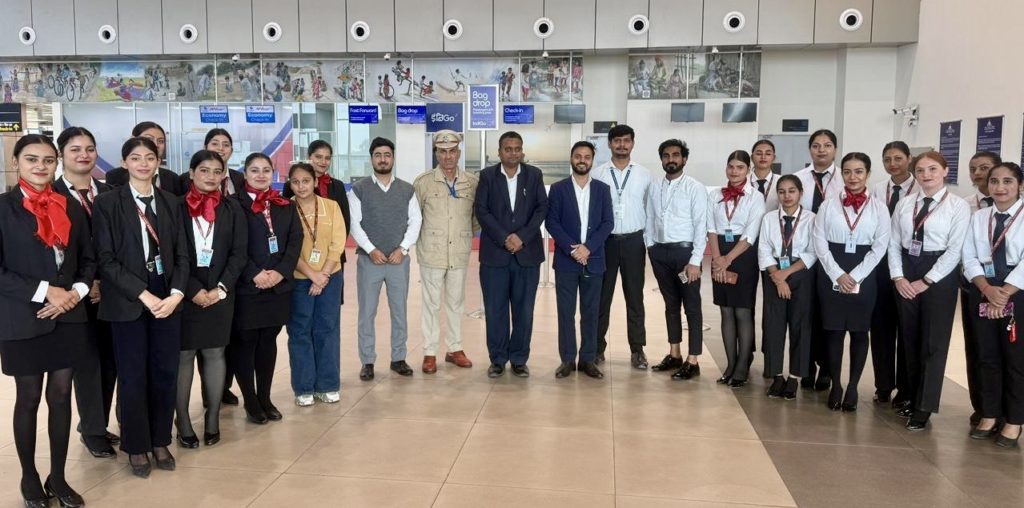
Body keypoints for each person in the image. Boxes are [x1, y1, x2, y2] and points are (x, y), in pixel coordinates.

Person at [1, 134, 94, 507]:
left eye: (48, 160)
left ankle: (58, 476)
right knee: (27, 398)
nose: (40, 166)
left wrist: (75, 293)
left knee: (61, 396)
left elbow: (88, 260)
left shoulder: (69, 205)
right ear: (16, 162)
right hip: (23, 316)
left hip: (69, 315)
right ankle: (29, 477)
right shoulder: (3, 208)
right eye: (31, 159)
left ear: (56, 163)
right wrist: (45, 291)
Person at [93, 137, 190, 478]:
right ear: (125, 163)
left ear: (158, 161)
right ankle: (136, 445)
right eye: (136, 158)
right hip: (128, 301)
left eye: (150, 157)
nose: (144, 164)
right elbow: (106, 260)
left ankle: (160, 439)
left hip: (167, 297)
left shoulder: (172, 202)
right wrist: (143, 295)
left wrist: (177, 293)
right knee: (133, 376)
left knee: (165, 372)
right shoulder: (107, 203)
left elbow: (183, 254)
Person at [889, 151, 969, 430]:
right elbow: (893, 243)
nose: (926, 175)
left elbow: (955, 250)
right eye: (921, 170)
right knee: (909, 338)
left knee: (933, 342)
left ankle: (924, 406)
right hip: (907, 269)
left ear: (945, 171)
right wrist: (898, 277)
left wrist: (927, 280)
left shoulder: (958, 206)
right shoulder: (905, 203)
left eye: (933, 169)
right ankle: (910, 395)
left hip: (939, 274)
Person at [53, 126, 119, 459]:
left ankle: (97, 422)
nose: (84, 155)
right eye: (75, 149)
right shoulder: (51, 195)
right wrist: (85, 282)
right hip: (73, 295)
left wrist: (106, 281)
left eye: (90, 149)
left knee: (109, 362)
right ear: (61, 154)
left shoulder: (111, 192)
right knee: (87, 363)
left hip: (113, 292)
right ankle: (92, 430)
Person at [174, 150, 247, 448]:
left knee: (216, 352)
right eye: (204, 170)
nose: (211, 176)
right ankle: (182, 420)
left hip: (220, 293)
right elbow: (171, 252)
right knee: (184, 356)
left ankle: (213, 417)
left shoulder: (233, 208)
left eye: (217, 171)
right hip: (183, 293)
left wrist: (221, 288)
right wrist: (192, 290)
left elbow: (239, 253)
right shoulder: (175, 207)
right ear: (192, 173)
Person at [812, 152, 890, 412]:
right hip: (831, 271)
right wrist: (837, 274)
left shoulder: (879, 208)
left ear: (868, 174)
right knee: (833, 330)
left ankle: (853, 386)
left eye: (859, 171)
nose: (853, 177)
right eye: (847, 171)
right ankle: (836, 384)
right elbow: (819, 242)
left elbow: (880, 246)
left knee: (859, 331)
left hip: (864, 273)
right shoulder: (828, 205)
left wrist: (855, 275)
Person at [231, 153, 301, 424]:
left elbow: (295, 241)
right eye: (254, 170)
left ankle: (265, 397)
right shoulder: (233, 204)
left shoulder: (284, 204)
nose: (261, 175)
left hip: (277, 287)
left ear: (273, 173)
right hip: (248, 287)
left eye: (266, 170)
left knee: (268, 342)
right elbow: (231, 245)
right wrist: (254, 274)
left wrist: (280, 272)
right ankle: (250, 401)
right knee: (246, 343)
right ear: (245, 174)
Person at [475, 131, 548, 378]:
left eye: (517, 148)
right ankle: (497, 359)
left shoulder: (534, 175)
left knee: (523, 311)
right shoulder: (487, 176)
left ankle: (518, 359)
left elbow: (541, 209)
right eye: (508, 149)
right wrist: (505, 237)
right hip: (495, 255)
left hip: (527, 255)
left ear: (522, 151)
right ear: (499, 152)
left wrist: (522, 237)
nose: (513, 153)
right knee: (494, 310)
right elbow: (482, 210)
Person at [349, 138, 422, 381]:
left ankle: (398, 358)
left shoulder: (406, 189)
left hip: (398, 261)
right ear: (371, 158)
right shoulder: (359, 189)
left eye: (387, 155)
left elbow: (416, 221)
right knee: (367, 313)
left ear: (393, 158)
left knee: (399, 311)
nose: (383, 159)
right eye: (378, 155)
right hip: (369, 261)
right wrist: (371, 249)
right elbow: (354, 224)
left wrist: (403, 248)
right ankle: (367, 361)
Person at [963, 162, 1024, 447]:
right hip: (983, 290)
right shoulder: (980, 217)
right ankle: (990, 413)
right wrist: (986, 289)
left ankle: (1014, 419)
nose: (1000, 187)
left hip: (1017, 293)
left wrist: (1005, 292)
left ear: (1020, 185)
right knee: (986, 356)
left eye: (1007, 181)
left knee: (1015, 359)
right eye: (994, 181)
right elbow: (968, 255)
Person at [546, 141, 614, 379]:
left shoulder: (603, 190)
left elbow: (608, 223)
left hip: (594, 260)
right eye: (578, 156)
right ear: (571, 158)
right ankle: (567, 359)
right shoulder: (558, 189)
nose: (582, 160)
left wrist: (588, 248)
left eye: (586, 156)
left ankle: (588, 359)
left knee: (591, 312)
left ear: (592, 160)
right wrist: (573, 249)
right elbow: (552, 222)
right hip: (566, 261)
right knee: (565, 313)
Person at [413, 130, 478, 373]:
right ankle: (430, 352)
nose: (448, 156)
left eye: (452, 151)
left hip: (459, 252)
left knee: (456, 302)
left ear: (459, 152)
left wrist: (462, 234)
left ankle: (455, 348)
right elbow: (415, 217)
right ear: (436, 153)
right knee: (431, 304)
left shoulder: (471, 182)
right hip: (432, 252)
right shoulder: (423, 182)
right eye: (442, 151)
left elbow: (475, 219)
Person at [646, 139, 708, 380]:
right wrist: (651, 246)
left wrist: (695, 260)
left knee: (691, 306)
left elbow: (701, 225)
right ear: (661, 159)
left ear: (684, 159)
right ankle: (675, 354)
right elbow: (650, 218)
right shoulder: (655, 186)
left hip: (685, 256)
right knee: (670, 305)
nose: (670, 159)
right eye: (666, 155)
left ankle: (693, 360)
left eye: (675, 155)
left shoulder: (695, 187)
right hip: (660, 254)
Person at [286, 162, 346, 405]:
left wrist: (323, 276)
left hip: (330, 277)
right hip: (300, 279)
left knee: (327, 329)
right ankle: (303, 388)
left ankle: (328, 384)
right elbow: (288, 249)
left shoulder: (331, 206)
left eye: (306, 181)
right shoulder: (285, 208)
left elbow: (338, 243)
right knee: (300, 332)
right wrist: (313, 275)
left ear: (315, 182)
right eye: (296, 182)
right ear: (290, 184)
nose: (301, 186)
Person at [592, 124, 651, 369]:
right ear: (609, 144)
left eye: (626, 141)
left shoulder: (644, 174)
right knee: (601, 298)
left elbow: (649, 208)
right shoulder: (598, 174)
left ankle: (637, 350)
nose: (622, 145)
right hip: (604, 243)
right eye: (617, 141)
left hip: (634, 242)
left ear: (632, 143)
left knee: (635, 298)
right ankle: (596, 348)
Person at [708, 150, 765, 387]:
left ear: (748, 170)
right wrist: (717, 259)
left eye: (740, 167)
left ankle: (742, 366)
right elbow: (711, 228)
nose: (734, 171)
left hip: (743, 255)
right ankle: (730, 364)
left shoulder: (756, 197)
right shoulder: (715, 195)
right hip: (719, 252)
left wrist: (727, 259)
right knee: (725, 310)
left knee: (742, 311)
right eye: (731, 166)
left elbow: (751, 234)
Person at [869, 141, 918, 407]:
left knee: (907, 328)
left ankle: (906, 387)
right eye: (887, 159)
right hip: (879, 265)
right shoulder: (877, 189)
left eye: (898, 158)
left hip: (907, 264)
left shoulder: (920, 188)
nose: (893, 164)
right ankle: (883, 384)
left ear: (909, 159)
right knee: (881, 327)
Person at [759, 175, 816, 399]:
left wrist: (787, 273)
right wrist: (778, 277)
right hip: (774, 273)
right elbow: (764, 248)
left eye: (792, 191)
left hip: (801, 272)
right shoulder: (769, 219)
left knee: (800, 325)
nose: (787, 196)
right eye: (782, 191)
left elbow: (813, 251)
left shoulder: (811, 219)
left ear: (800, 193)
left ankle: (794, 377)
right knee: (773, 324)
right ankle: (776, 375)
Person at [795, 129, 842, 390]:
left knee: (829, 312)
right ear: (810, 149)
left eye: (827, 145)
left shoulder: (844, 179)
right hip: (803, 254)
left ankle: (826, 367)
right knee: (806, 313)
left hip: (833, 256)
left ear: (835, 149)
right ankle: (806, 366)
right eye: (816, 145)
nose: (821, 150)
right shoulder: (799, 178)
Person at [963, 151, 1002, 427]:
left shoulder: (1017, 209)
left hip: (1011, 288)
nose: (978, 173)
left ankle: (1009, 410)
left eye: (984, 167)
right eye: (973, 168)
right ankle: (983, 406)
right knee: (978, 348)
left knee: (1008, 351)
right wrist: (982, 285)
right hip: (974, 285)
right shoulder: (966, 205)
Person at [285, 140, 352, 270]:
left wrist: (335, 251)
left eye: (327, 158)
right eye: (318, 157)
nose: (323, 162)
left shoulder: (337, 185)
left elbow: (345, 221)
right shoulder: (291, 185)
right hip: (301, 257)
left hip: (333, 256)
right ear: (309, 157)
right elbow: (287, 219)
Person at [104, 121, 184, 196]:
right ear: (133, 139)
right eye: (149, 139)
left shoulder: (172, 178)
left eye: (161, 141)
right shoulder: (115, 176)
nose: (156, 145)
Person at [180, 128, 246, 197]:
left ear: (231, 151)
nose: (220, 148)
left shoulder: (240, 178)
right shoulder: (184, 180)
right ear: (205, 148)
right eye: (215, 144)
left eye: (226, 145)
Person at [750, 139, 779, 211]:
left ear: (774, 158)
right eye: (759, 154)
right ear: (752, 157)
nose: (763, 157)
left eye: (768, 154)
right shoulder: (743, 181)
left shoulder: (781, 182)